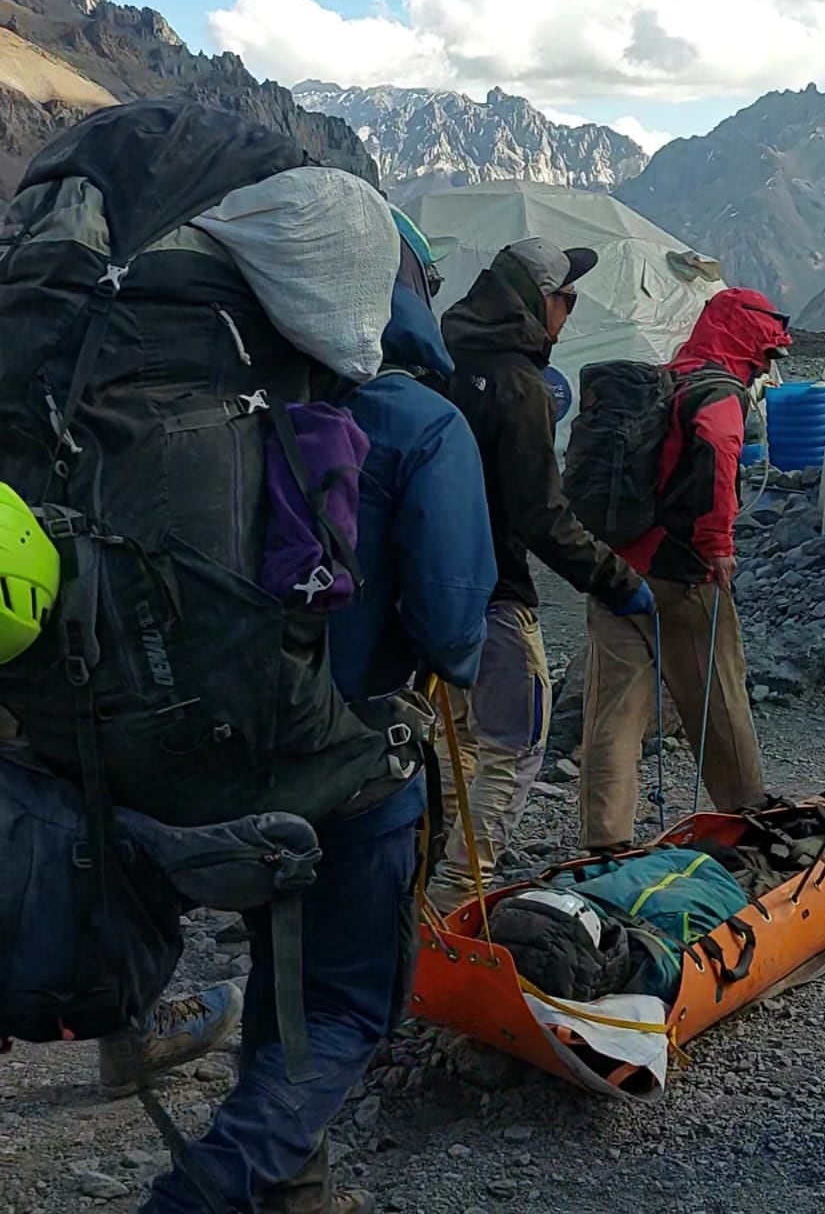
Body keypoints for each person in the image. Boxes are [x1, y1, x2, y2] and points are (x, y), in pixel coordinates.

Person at [143, 247, 497, 1214]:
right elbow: (451, 629)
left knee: (281, 959)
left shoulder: (204, 406)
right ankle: (202, 1198)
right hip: (351, 765)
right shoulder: (420, 422)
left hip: (206, 757)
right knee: (346, 1001)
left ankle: (294, 1190)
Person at [428, 238, 651, 913]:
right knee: (513, 745)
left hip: (433, 590)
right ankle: (456, 897)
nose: (570, 314)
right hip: (495, 590)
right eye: (567, 299)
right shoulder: (520, 385)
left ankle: (424, 886)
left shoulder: (442, 361)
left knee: (453, 739)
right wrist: (615, 579)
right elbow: (539, 513)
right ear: (540, 300)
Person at [577, 288, 788, 853]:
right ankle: (746, 815)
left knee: (613, 710)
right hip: (680, 572)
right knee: (717, 693)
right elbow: (719, 444)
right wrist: (717, 540)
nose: (768, 368)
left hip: (618, 565)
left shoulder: (665, 382)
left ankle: (605, 840)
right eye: (768, 356)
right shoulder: (720, 392)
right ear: (749, 340)